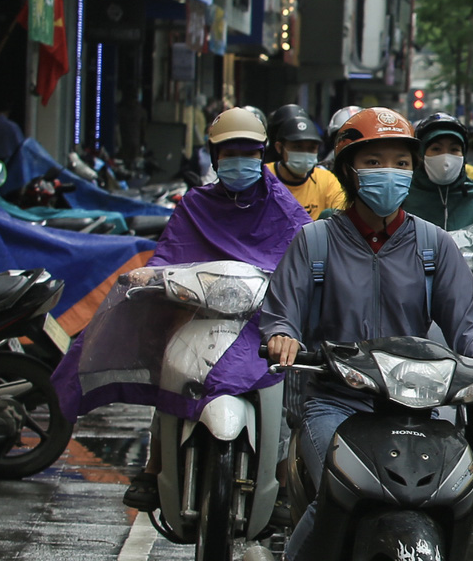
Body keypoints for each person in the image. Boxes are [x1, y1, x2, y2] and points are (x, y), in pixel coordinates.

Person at [249, 107, 473, 561]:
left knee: (459, 487)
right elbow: (281, 312)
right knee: (339, 480)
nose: (388, 172)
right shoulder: (316, 242)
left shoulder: (434, 246)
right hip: (336, 399)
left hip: (418, 402)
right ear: (350, 170)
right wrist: (282, 335)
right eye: (374, 161)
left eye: (400, 161)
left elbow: (468, 330)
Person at [52, 107, 311, 513]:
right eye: (229, 152)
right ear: (214, 156)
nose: (239, 161)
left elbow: (300, 261)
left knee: (282, 372)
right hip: (199, 314)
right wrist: (149, 277)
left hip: (258, 320)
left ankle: (280, 475)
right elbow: (170, 255)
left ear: (262, 155)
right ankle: (155, 465)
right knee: (171, 367)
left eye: (248, 152)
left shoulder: (284, 208)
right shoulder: (196, 204)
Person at [403, 112, 473, 231]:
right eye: (436, 149)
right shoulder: (404, 196)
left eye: (454, 149)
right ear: (421, 154)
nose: (445, 158)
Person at [266, 103, 346, 219]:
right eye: (297, 147)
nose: (304, 153)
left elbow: (342, 220)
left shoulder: (326, 181)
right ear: (279, 147)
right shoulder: (264, 177)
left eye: (311, 148)